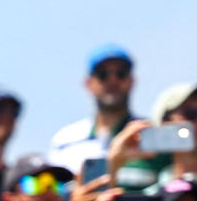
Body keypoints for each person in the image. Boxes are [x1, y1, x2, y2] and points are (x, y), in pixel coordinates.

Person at [46, 45, 138, 181]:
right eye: (103, 75)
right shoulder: (65, 140)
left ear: (131, 81)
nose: (113, 81)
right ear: (88, 83)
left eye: (121, 74)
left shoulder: (149, 135)